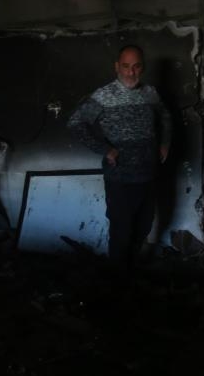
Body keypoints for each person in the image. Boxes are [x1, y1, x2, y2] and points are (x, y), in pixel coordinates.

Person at [67, 44, 172, 272]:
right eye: (125, 66)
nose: (130, 72)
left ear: (142, 68)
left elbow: (165, 116)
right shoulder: (103, 96)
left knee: (144, 227)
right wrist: (104, 149)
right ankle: (117, 282)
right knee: (121, 232)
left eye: (136, 67)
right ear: (117, 66)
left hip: (148, 174)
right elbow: (76, 123)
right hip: (120, 178)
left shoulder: (150, 93)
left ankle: (131, 274)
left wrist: (164, 143)